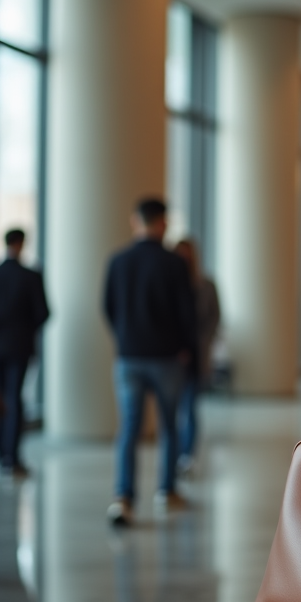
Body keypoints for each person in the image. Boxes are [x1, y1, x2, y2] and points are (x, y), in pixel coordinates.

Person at [103, 198, 196, 526]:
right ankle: (166, 491)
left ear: (135, 221)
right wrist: (186, 346)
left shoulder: (118, 260)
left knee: (129, 427)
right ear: (163, 223)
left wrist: (125, 338)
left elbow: (109, 307)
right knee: (169, 426)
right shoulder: (174, 263)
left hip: (129, 357)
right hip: (167, 356)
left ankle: (124, 497)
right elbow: (187, 313)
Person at [0, 229, 50, 477]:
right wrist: (25, 328)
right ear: (22, 243)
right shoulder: (31, 276)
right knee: (14, 399)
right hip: (21, 345)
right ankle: (11, 458)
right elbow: (43, 313)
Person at [172, 239, 220, 476]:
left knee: (190, 407)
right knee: (172, 409)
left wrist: (204, 341)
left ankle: (186, 455)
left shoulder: (206, 284)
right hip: (172, 357)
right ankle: (174, 453)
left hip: (197, 354)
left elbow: (214, 317)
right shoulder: (169, 282)